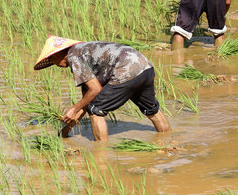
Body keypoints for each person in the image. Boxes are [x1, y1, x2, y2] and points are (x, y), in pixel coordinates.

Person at [33, 36, 172, 143]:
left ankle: (100, 152)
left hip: (126, 70)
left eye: (51, 61)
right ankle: (169, 143)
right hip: (145, 67)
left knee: (95, 109)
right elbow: (86, 99)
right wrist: (64, 132)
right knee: (151, 109)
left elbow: (95, 91)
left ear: (56, 55)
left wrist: (73, 108)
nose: (54, 64)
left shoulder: (74, 57)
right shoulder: (84, 51)